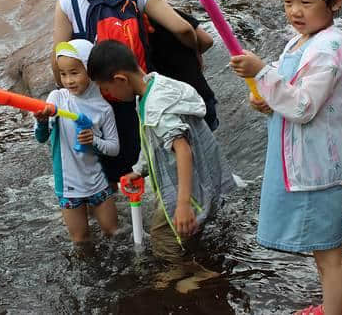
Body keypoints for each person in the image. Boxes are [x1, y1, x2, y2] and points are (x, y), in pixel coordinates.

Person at [229, 0, 342, 315]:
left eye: (305, 1)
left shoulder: (331, 46)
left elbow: (303, 107)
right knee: (324, 253)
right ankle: (329, 307)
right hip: (303, 159)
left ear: (337, 0)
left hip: (318, 166)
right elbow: (288, 93)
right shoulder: (301, 39)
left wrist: (262, 73)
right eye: (288, 1)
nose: (294, 11)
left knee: (330, 254)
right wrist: (267, 99)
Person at [52, 0, 197, 188]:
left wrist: (67, 89)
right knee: (150, 166)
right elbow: (182, 29)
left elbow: (58, 54)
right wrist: (194, 56)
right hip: (138, 94)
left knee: (110, 173)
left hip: (96, 98)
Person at [87, 40, 237, 292]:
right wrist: (139, 170)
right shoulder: (154, 88)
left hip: (185, 184)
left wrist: (182, 204)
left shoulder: (157, 107)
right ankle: (188, 264)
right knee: (186, 229)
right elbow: (151, 142)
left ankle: (197, 272)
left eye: (106, 89)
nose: (109, 96)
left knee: (162, 233)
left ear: (120, 79)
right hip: (193, 177)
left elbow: (183, 149)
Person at [34, 39, 119, 244]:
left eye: (74, 72)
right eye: (63, 74)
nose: (69, 80)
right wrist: (42, 122)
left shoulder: (103, 108)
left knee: (115, 233)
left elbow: (114, 148)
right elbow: (40, 138)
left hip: (98, 183)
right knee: (80, 240)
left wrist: (95, 141)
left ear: (90, 70)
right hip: (69, 186)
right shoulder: (57, 98)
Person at [144, 0, 219, 131]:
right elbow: (207, 40)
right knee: (208, 141)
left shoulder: (136, 26)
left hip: (170, 104)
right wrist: (195, 53)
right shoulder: (173, 15)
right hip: (199, 93)